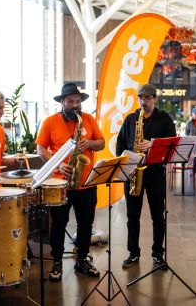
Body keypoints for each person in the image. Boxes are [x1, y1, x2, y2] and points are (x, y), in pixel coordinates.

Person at [36, 82, 105, 282]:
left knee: (86, 224)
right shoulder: (50, 121)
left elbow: (101, 142)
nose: (75, 105)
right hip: (60, 183)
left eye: (77, 101)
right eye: (70, 101)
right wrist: (57, 165)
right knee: (58, 223)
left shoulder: (88, 119)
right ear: (62, 102)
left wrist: (90, 143)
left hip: (87, 183)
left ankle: (82, 259)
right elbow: (41, 148)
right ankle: (56, 261)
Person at [116, 84, 176, 269]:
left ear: (155, 99)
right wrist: (130, 155)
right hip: (134, 172)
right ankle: (133, 252)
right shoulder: (130, 119)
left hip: (155, 173)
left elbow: (171, 145)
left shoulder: (164, 119)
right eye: (141, 97)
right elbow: (120, 146)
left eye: (148, 97)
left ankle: (158, 253)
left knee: (158, 216)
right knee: (132, 217)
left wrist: (151, 145)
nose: (144, 101)